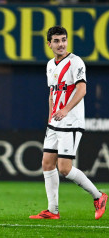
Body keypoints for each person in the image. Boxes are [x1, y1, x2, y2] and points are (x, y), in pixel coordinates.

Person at [30, 26, 107, 219]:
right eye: (56, 41)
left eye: (63, 40)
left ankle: (99, 196)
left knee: (64, 168)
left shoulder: (75, 62)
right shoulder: (50, 65)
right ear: (49, 44)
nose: (61, 44)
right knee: (47, 164)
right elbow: (52, 94)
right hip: (55, 123)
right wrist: (50, 117)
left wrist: (65, 110)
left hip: (71, 121)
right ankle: (52, 210)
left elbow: (82, 90)